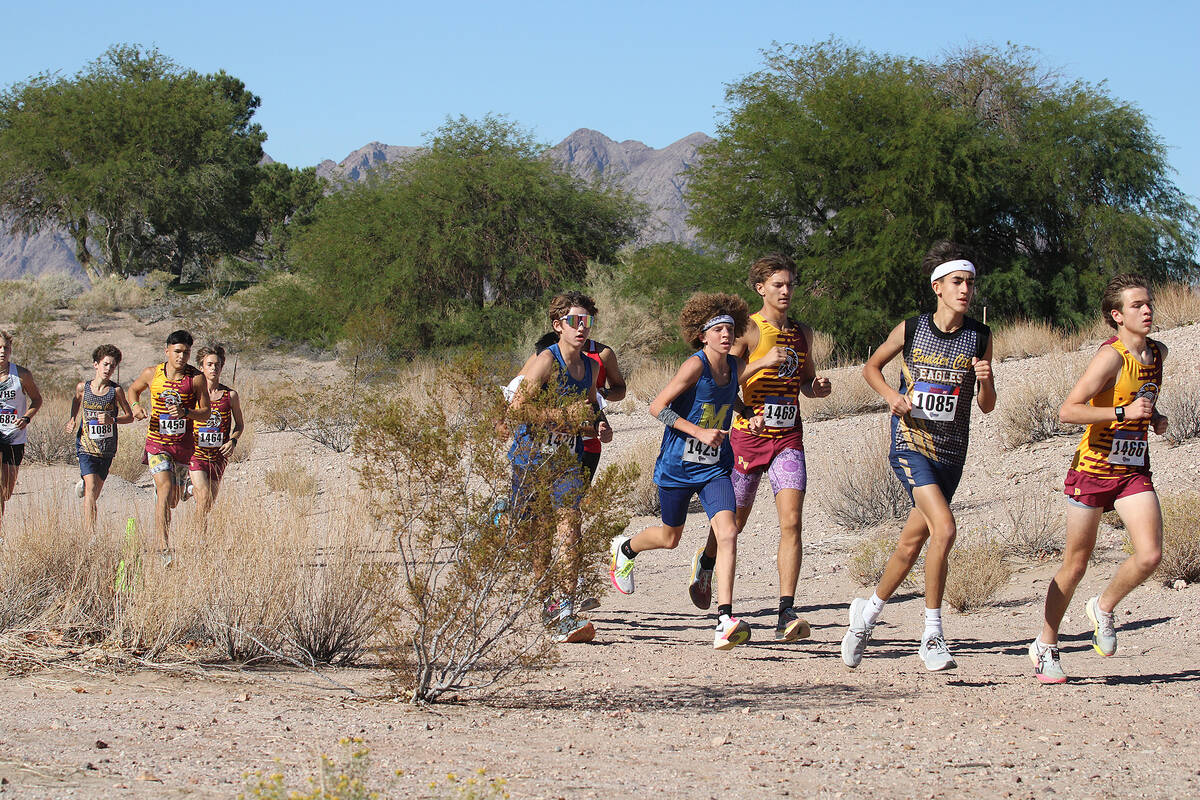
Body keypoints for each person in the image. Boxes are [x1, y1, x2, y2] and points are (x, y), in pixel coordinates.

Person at [841, 241, 995, 672]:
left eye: (970, 283)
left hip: (952, 453)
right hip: (911, 445)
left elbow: (986, 405)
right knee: (944, 529)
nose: (965, 290)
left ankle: (865, 617)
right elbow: (871, 368)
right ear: (937, 287)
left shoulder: (980, 336)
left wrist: (985, 379)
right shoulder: (912, 328)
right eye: (957, 282)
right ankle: (932, 634)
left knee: (912, 544)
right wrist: (892, 396)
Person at [1028, 274, 1167, 684]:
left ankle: (1102, 608)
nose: (1146, 310)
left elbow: (1144, 399)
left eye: (1149, 303)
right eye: (1137, 305)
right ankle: (1045, 645)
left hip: (1132, 469)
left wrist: (1153, 417)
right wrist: (1123, 415)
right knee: (1076, 563)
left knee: (1150, 555)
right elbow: (1068, 411)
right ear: (1116, 315)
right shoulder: (1110, 357)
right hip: (1093, 469)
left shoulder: (1158, 353)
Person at [608, 293, 766, 649]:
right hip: (678, 466)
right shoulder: (694, 366)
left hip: (714, 468)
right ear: (703, 335)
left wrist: (747, 415)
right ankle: (626, 548)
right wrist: (698, 431)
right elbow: (656, 407)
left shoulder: (735, 367)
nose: (726, 335)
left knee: (728, 532)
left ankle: (725, 619)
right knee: (670, 537)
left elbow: (729, 399)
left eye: (730, 329)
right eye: (718, 330)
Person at [692, 254, 831, 642]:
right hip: (747, 437)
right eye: (778, 285)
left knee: (791, 522)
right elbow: (725, 380)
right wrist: (761, 361)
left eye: (790, 284)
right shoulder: (748, 330)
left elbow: (804, 379)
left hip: (788, 437)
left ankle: (786, 610)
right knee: (733, 525)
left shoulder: (803, 332)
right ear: (761, 288)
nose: (786, 291)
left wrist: (814, 388)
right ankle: (706, 561)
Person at [508, 292, 610, 643]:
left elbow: (590, 408)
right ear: (558, 326)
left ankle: (565, 608)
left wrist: (599, 424)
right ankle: (547, 601)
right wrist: (557, 416)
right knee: (535, 535)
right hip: (531, 457)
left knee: (570, 524)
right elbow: (517, 408)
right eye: (574, 321)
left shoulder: (593, 366)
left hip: (567, 457)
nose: (582, 328)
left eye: (587, 322)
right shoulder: (546, 361)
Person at [128, 330, 210, 563]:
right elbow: (133, 390)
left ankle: (174, 493)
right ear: (167, 350)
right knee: (164, 488)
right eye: (177, 352)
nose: (182, 357)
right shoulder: (151, 373)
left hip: (183, 446)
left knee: (173, 499)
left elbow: (206, 413)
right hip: (157, 443)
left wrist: (186, 412)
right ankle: (163, 547)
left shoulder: (196, 378)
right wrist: (135, 407)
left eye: (186, 352)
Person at [66, 345, 134, 534]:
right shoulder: (83, 387)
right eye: (105, 364)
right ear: (96, 364)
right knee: (91, 488)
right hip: (86, 446)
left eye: (112, 366)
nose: (108, 369)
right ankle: (90, 536)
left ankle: (84, 482)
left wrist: (113, 420)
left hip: (106, 449)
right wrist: (72, 418)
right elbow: (76, 401)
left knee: (94, 493)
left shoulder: (116, 391)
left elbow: (130, 417)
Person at [189, 344, 244, 517]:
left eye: (217, 365)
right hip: (196, 453)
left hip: (218, 455)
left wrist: (233, 441)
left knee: (208, 502)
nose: (213, 368)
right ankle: (199, 540)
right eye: (209, 364)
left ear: (222, 367)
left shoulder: (230, 396)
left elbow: (240, 424)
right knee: (204, 496)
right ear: (201, 367)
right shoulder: (193, 394)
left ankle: (189, 490)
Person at [0, 329, 43, 533]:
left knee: (6, 492)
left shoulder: (22, 374)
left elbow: (37, 399)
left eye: (6, 348)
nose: (2, 351)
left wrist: (27, 417)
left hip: (15, 435)